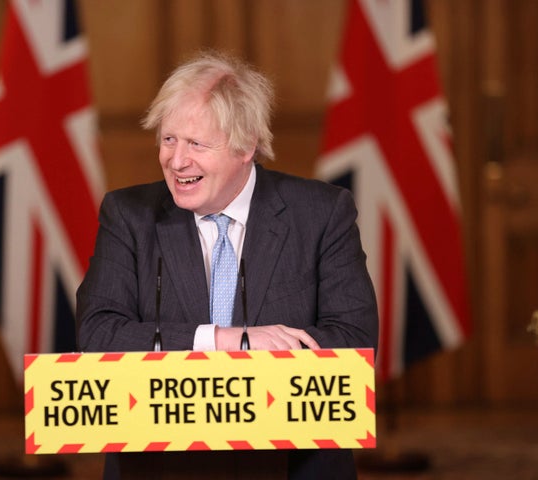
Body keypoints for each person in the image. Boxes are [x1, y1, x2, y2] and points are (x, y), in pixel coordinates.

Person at [76, 51, 378, 480]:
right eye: (169, 139)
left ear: (246, 146)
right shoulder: (128, 215)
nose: (177, 161)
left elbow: (353, 342)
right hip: (160, 465)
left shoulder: (321, 213)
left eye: (197, 144)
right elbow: (98, 336)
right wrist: (225, 340)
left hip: (292, 465)